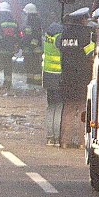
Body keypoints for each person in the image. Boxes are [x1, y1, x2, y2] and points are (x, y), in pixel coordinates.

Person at [57, 7, 95, 148]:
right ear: (83, 19)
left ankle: (65, 141)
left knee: (68, 110)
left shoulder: (64, 34)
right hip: (82, 77)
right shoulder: (86, 34)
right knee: (82, 111)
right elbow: (91, 54)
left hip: (66, 77)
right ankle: (80, 142)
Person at [0, 1, 20, 90]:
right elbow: (17, 35)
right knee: (8, 68)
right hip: (9, 50)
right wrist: (15, 45)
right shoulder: (14, 22)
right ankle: (7, 84)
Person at [42, 18, 64, 146]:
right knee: (59, 107)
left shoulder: (48, 35)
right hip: (58, 77)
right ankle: (57, 137)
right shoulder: (59, 37)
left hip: (48, 76)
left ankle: (50, 137)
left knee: (50, 107)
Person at [20, 3, 44, 87]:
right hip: (28, 49)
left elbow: (37, 35)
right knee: (28, 66)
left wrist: (31, 46)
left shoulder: (36, 21)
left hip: (34, 50)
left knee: (35, 66)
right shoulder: (27, 21)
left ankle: (36, 83)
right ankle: (30, 81)